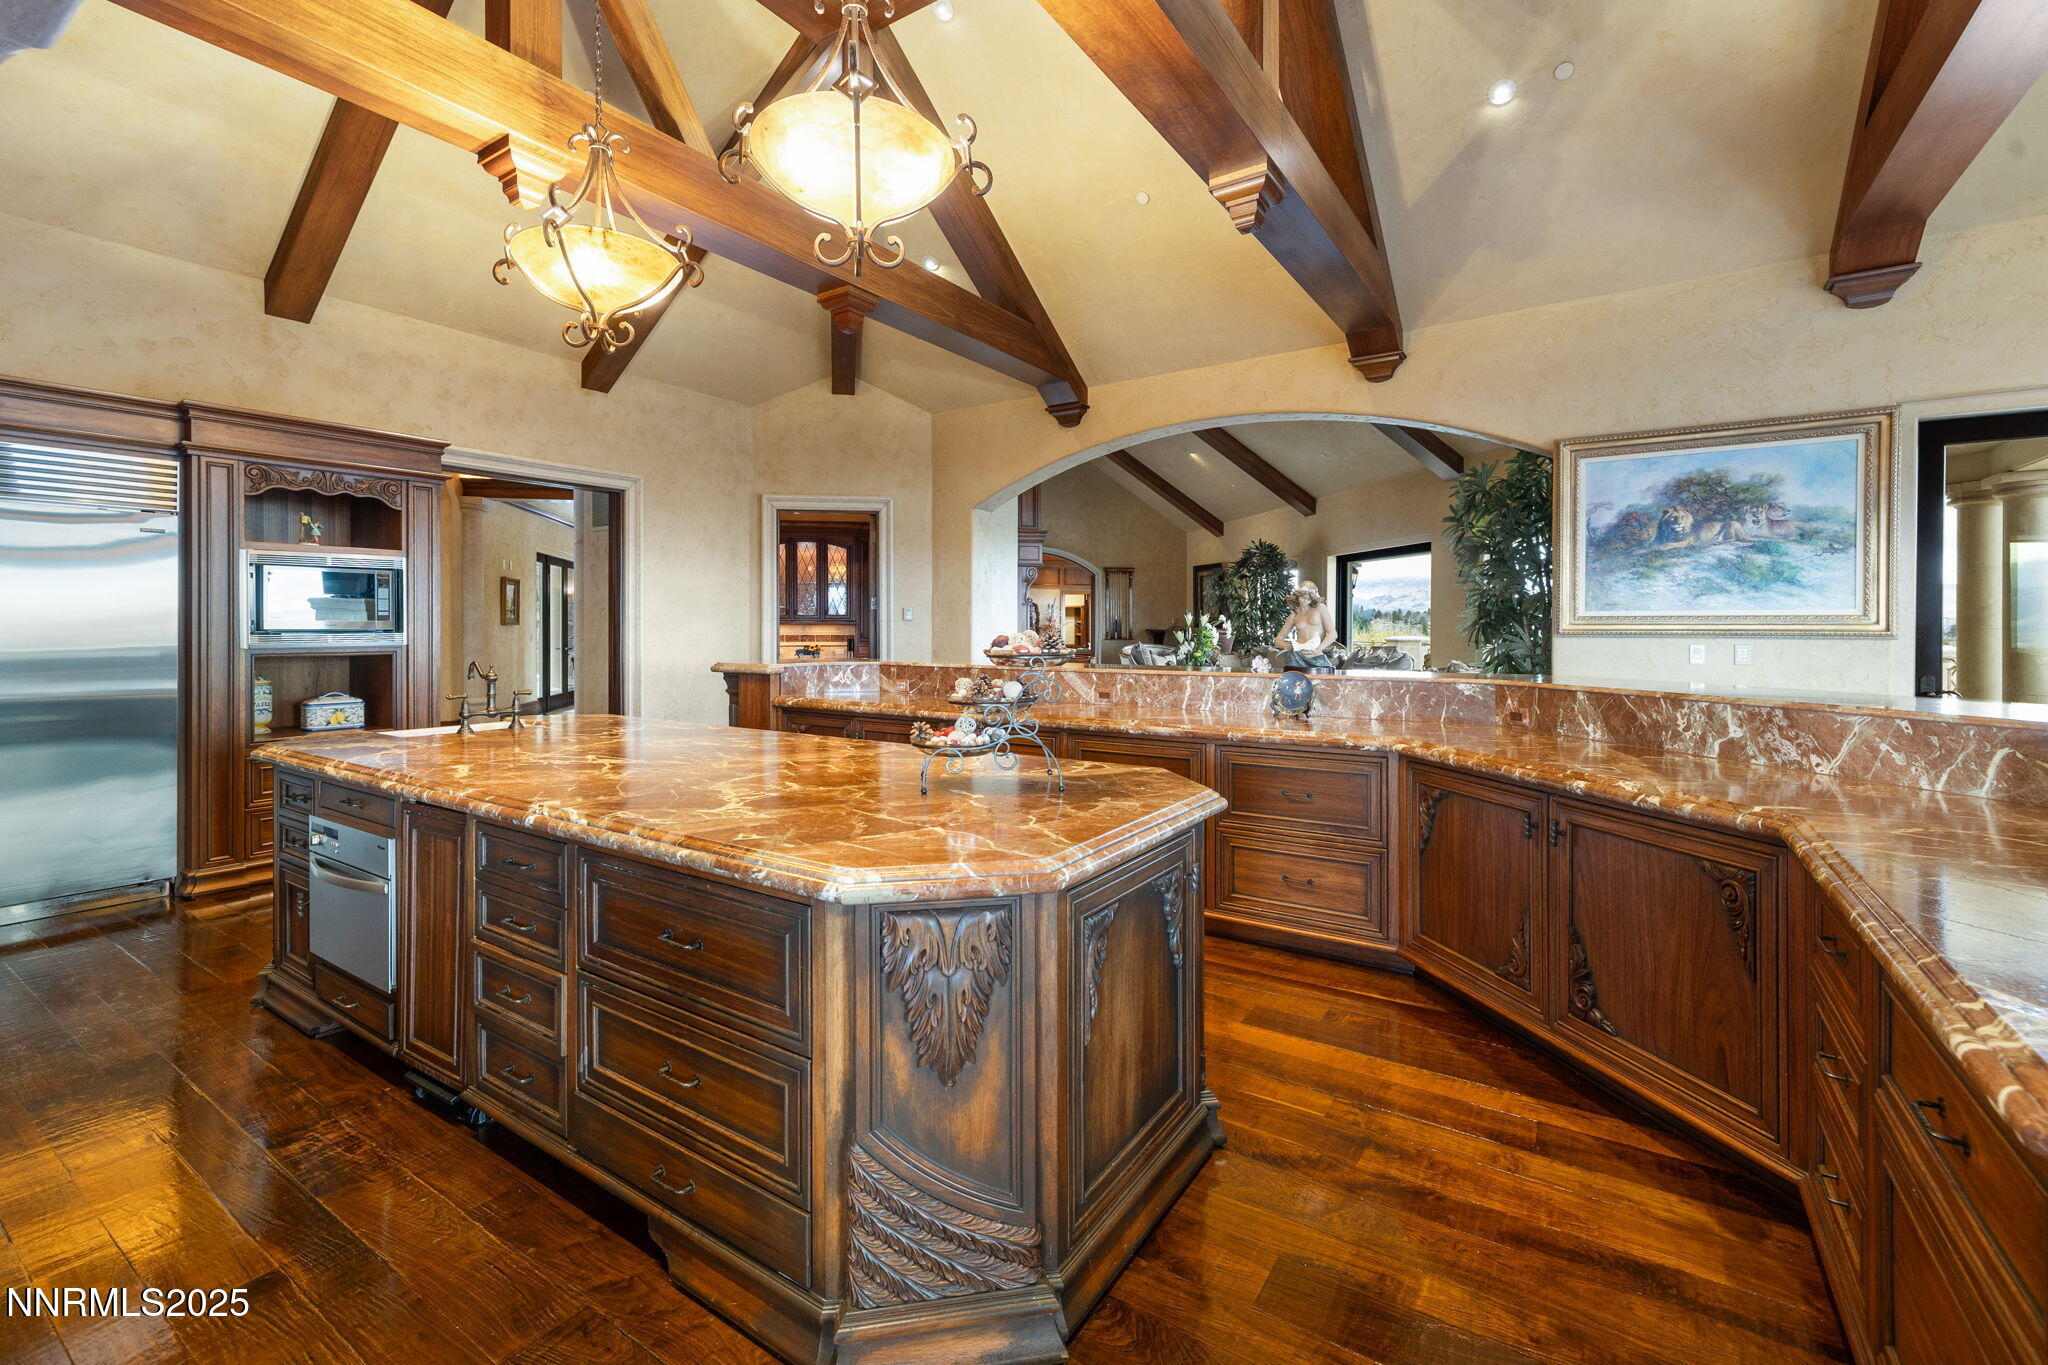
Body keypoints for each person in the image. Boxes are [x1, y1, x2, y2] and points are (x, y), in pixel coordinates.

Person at [1273, 582, 1337, 671]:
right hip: (1296, 656)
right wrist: (1289, 646)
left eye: (1309, 598)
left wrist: (1318, 650)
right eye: (1303, 598)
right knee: (1295, 682)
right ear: (1297, 596)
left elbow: (1333, 633)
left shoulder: (1320, 608)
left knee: (1325, 679)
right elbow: (1278, 639)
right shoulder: (1294, 615)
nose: (1306, 601)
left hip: (1316, 654)